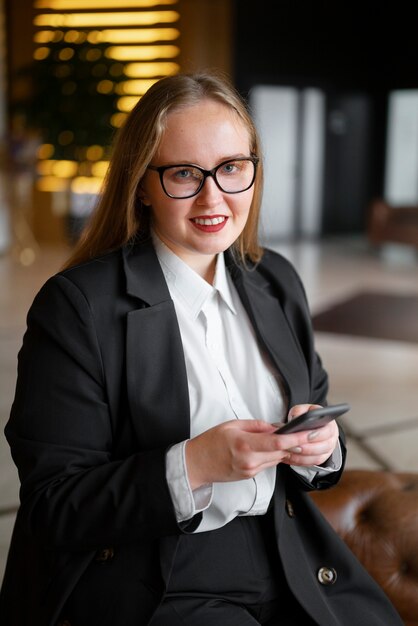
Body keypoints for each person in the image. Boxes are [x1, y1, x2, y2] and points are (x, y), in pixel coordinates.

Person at [0, 71, 403, 626]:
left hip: (288, 545)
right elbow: (54, 505)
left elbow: (316, 416)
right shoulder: (77, 307)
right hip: (159, 574)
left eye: (232, 168)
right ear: (142, 183)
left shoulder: (274, 279)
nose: (214, 197)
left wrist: (321, 448)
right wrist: (193, 465)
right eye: (185, 174)